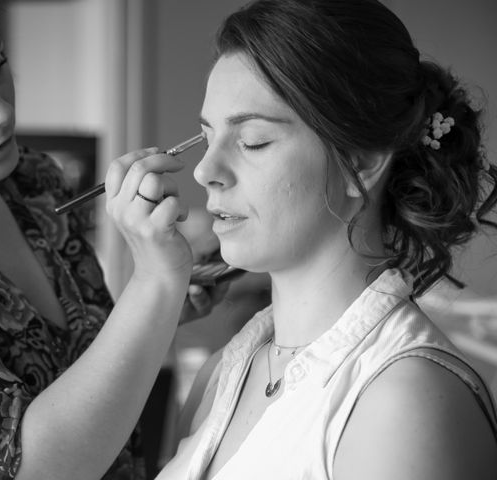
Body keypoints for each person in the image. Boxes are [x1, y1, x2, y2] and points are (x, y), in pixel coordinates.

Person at [0, 1, 218, 478]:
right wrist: (155, 282)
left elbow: (75, 359)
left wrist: (156, 309)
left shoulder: (31, 180)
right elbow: (32, 469)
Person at [157, 0, 497, 479]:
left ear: (360, 161)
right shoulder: (221, 374)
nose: (204, 171)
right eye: (206, 137)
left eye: (252, 140)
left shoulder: (403, 404)